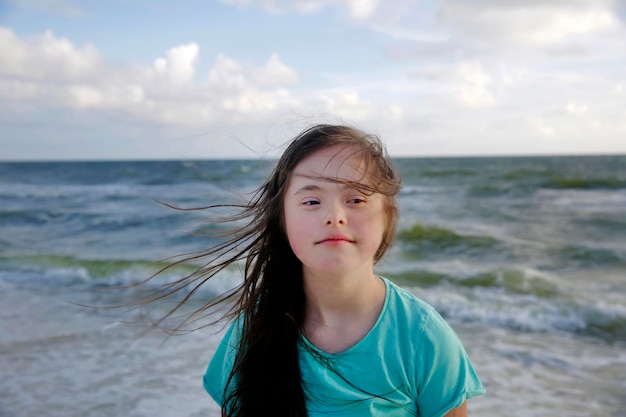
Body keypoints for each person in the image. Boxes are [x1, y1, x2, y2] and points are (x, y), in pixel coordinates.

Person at [150, 124, 485, 416]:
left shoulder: (421, 336)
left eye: (356, 199)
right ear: (282, 220)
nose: (334, 216)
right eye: (311, 201)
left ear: (387, 216)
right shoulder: (255, 330)